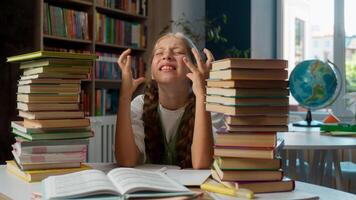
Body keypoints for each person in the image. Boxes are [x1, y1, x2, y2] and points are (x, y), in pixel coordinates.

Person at [115, 32, 224, 169]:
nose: (166, 56)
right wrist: (124, 96)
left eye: (177, 52)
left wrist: (202, 94)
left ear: (194, 68)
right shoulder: (140, 105)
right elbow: (126, 160)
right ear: (153, 73)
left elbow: (202, 164)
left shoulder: (211, 107)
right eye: (159, 53)